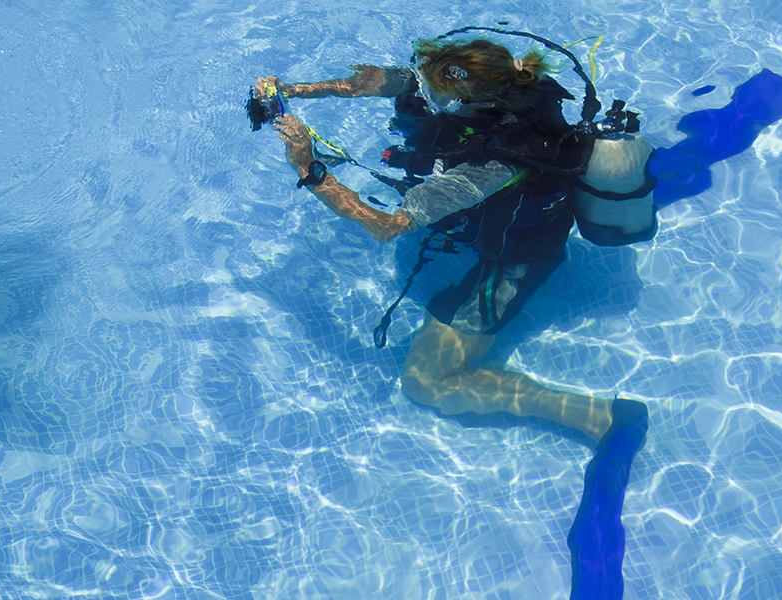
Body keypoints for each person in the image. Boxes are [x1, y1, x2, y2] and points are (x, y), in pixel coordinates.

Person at [256, 36, 651, 600]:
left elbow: (385, 225)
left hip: (514, 259)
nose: (418, 87)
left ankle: (603, 418)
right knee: (428, 373)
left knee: (426, 382)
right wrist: (295, 90)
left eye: (431, 86)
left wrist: (309, 169)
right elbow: (394, 81)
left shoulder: (487, 166)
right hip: (492, 221)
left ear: (464, 92)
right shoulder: (499, 83)